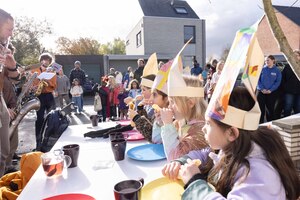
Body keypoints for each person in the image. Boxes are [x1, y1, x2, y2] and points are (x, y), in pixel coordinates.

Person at [164, 86, 300, 200]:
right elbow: (204, 155)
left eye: (208, 124)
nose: (204, 128)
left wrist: (195, 183)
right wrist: (182, 162)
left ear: (232, 133)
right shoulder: (228, 147)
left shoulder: (257, 172)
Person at [31, 52, 57, 151]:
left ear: (50, 62)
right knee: (40, 120)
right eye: (44, 59)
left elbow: (54, 85)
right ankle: (38, 143)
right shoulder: (35, 71)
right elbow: (31, 83)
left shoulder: (52, 71)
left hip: (49, 96)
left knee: (53, 118)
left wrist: (48, 82)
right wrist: (35, 86)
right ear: (41, 60)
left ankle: (51, 141)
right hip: (39, 96)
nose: (46, 61)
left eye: (48, 60)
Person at [257, 55, 282, 123]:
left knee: (270, 110)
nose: (266, 62)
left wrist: (270, 90)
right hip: (261, 92)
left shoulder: (277, 71)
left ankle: (270, 124)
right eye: (265, 60)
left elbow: (278, 82)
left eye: (268, 60)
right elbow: (257, 80)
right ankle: (260, 124)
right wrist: (262, 89)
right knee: (260, 110)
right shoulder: (262, 69)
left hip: (271, 93)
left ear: (273, 60)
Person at [282, 49, 300, 117]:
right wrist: (285, 88)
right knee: (287, 108)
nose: (295, 57)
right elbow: (283, 79)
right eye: (293, 55)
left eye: (297, 55)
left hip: (299, 92)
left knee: (298, 109)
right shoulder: (287, 66)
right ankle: (286, 124)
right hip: (289, 92)